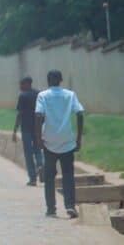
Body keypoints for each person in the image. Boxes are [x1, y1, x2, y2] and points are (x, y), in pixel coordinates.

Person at [36, 70, 83, 219]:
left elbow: (38, 115)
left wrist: (38, 139)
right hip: (67, 142)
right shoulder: (70, 95)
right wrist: (79, 138)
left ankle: (51, 208)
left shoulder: (42, 95)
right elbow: (80, 113)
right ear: (61, 80)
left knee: (49, 177)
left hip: (49, 142)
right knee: (68, 175)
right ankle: (70, 206)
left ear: (48, 80)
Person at [12, 77, 43, 186]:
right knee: (38, 149)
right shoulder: (39, 94)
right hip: (38, 128)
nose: (20, 87)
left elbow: (19, 114)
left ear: (27, 84)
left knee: (28, 154)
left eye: (21, 84)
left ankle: (33, 178)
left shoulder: (23, 96)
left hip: (26, 129)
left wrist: (15, 131)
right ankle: (41, 165)